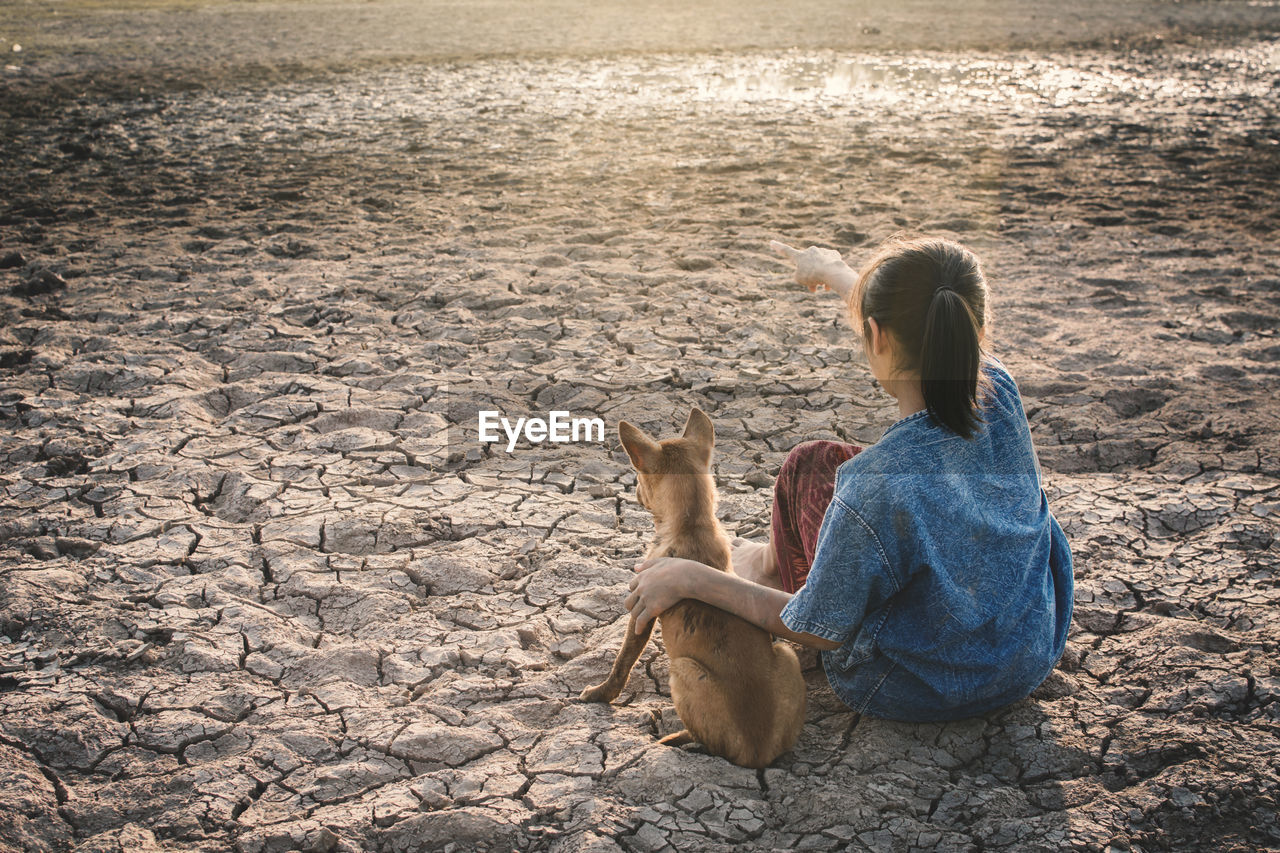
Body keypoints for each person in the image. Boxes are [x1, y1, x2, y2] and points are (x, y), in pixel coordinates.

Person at [625, 236, 1074, 722]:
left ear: (875, 335)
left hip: (917, 686)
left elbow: (821, 629)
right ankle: (770, 561)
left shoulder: (873, 484)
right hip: (1027, 649)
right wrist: (838, 274)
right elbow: (919, 319)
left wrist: (694, 578)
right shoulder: (999, 389)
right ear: (974, 331)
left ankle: (768, 570)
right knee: (815, 463)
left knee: (815, 473)